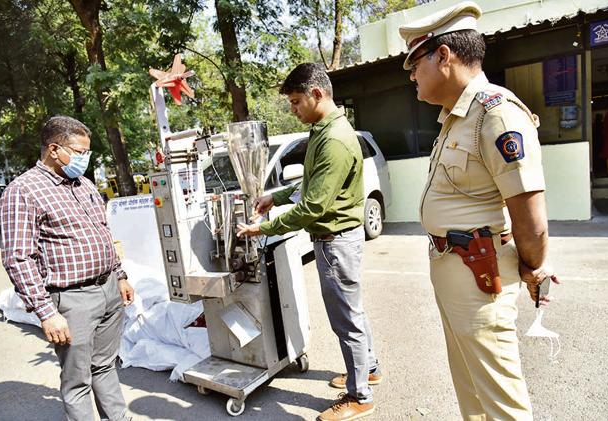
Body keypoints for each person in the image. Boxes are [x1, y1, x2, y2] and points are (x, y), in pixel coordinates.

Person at [398, 2, 559, 420]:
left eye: (416, 64)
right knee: (471, 392)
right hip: (454, 269)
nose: (412, 76)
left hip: (480, 276)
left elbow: (530, 219)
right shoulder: (455, 118)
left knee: (503, 404)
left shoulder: (495, 113)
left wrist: (534, 267)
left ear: (444, 56)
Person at [237, 63, 381, 421]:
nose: (293, 109)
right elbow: (310, 185)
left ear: (317, 94)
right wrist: (277, 196)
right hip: (336, 238)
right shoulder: (323, 129)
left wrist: (263, 229)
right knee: (353, 312)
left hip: (335, 241)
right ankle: (369, 368)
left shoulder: (333, 139)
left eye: (296, 101)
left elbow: (315, 205)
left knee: (345, 318)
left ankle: (359, 396)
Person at [0, 115, 134, 421]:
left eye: (88, 152)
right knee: (78, 379)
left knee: (105, 365)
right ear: (54, 148)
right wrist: (46, 312)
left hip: (109, 290)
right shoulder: (24, 191)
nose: (85, 159)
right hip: (73, 300)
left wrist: (119, 275)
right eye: (79, 151)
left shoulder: (83, 183)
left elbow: (103, 232)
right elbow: (19, 258)